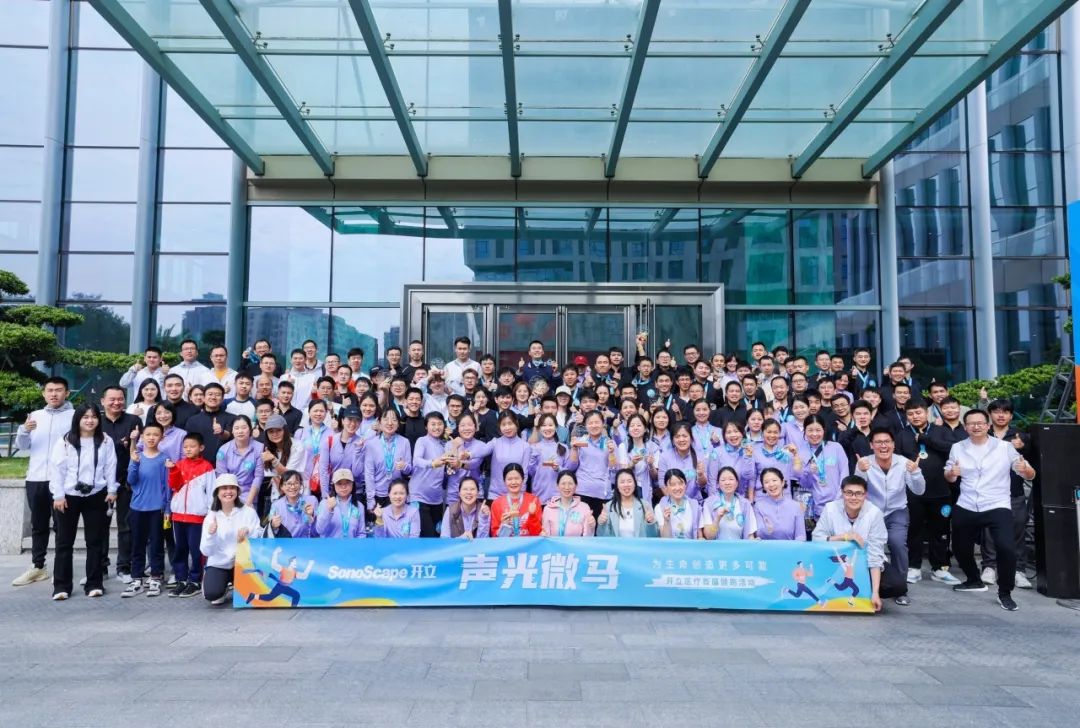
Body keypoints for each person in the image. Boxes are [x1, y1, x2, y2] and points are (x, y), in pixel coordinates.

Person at [945, 409, 1035, 612]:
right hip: (967, 503)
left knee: (1006, 549)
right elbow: (949, 475)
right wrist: (951, 473)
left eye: (980, 423)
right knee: (959, 548)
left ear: (988, 425)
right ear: (965, 427)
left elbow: (1028, 472)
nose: (976, 427)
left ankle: (1005, 592)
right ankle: (974, 580)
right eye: (971, 423)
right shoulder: (957, 447)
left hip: (996, 504)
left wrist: (1025, 470)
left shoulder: (1004, 447)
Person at [48, 403, 118, 600]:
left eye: (93, 417)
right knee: (64, 542)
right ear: (77, 419)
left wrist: (112, 490)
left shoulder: (105, 440)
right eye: (85, 417)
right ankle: (62, 586)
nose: (90, 420)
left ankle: (94, 583)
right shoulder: (65, 441)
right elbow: (57, 469)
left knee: (95, 541)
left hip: (96, 494)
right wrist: (58, 495)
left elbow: (110, 466)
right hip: (69, 496)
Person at [12, 377, 73, 587]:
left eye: (59, 390)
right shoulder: (35, 416)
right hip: (36, 478)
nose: (54, 394)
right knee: (38, 525)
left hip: (62, 480)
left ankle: (61, 569)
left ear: (67, 393)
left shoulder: (74, 416)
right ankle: (38, 566)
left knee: (62, 525)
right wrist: (24, 429)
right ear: (44, 394)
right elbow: (22, 446)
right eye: (50, 390)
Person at [856, 427, 925, 606]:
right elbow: (856, 489)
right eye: (878, 442)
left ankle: (900, 589)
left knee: (897, 543)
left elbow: (919, 490)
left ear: (893, 444)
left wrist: (916, 472)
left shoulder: (904, 463)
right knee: (865, 545)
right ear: (871, 445)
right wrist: (861, 471)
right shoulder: (864, 462)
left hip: (897, 511)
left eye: (887, 441)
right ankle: (865, 586)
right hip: (871, 512)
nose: (883, 446)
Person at [901, 400, 961, 585]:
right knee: (914, 530)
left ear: (927, 412)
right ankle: (913, 567)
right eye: (910, 414)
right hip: (913, 492)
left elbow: (954, 448)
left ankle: (939, 568)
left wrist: (928, 440)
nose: (915, 416)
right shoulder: (902, 434)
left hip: (940, 490)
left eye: (918, 412)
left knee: (940, 531)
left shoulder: (941, 431)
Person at [812, 474, 886, 611]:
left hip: (864, 563)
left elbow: (875, 553)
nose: (853, 497)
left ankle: (873, 594)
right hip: (835, 564)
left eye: (858, 494)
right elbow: (817, 538)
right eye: (849, 493)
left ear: (865, 495)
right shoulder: (830, 508)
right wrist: (845, 537)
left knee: (895, 585)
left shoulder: (874, 513)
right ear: (842, 493)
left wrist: (875, 592)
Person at [981, 399, 1033, 590]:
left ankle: (1018, 570)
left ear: (1011, 415)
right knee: (989, 530)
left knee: (1017, 529)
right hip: (989, 491)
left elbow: (1033, 459)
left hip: (1014, 491)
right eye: (996, 411)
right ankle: (989, 567)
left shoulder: (1021, 435)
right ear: (990, 415)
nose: (1001, 415)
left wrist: (1023, 447)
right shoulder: (983, 434)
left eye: (1005, 412)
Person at [96, 385, 142, 584]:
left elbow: (139, 449)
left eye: (120, 399)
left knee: (126, 527)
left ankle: (124, 567)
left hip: (125, 482)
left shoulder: (133, 421)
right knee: (99, 527)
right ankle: (99, 567)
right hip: (100, 483)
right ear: (103, 401)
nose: (117, 403)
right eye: (112, 399)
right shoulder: (95, 421)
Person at [121, 422, 170, 598]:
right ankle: (136, 578)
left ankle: (156, 576)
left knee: (156, 544)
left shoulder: (164, 459)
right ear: (142, 437)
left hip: (157, 508)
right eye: (148, 434)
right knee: (137, 544)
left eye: (155, 435)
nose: (151, 438)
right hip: (138, 507)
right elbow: (131, 481)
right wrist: (134, 463)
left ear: (162, 437)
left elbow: (167, 486)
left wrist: (167, 508)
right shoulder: (137, 456)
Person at [201, 474, 262, 605]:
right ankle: (222, 585)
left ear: (237, 491)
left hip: (244, 563)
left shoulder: (248, 512)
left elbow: (261, 535)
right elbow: (206, 551)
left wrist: (248, 531)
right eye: (224, 488)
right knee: (212, 595)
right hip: (219, 563)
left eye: (232, 488)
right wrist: (211, 535)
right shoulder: (210, 517)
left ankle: (237, 584)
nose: (228, 492)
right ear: (217, 492)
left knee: (251, 595)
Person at [167, 432, 215, 598]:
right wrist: (173, 470)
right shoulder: (179, 464)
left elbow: (212, 492)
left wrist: (211, 514)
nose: (188, 449)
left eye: (192, 446)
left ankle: (196, 580)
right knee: (180, 549)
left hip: (197, 516)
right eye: (185, 447)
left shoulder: (207, 467)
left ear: (201, 448)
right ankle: (181, 579)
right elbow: (174, 485)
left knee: (196, 549)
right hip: (178, 515)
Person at [795, 414, 846, 522]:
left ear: (824, 430)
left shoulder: (836, 447)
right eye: (810, 430)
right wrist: (808, 471)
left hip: (837, 504)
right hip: (814, 507)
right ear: (805, 431)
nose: (814, 434)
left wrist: (838, 500)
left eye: (818, 430)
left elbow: (844, 475)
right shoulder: (800, 451)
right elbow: (803, 484)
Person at [364, 407, 413, 513]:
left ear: (398, 424)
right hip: (378, 494)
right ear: (379, 422)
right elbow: (369, 474)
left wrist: (404, 466)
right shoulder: (371, 444)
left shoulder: (405, 442)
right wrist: (371, 500)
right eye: (386, 419)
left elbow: (409, 471)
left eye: (394, 420)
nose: (390, 423)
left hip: (398, 495)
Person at [570, 411, 617, 517]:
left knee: (600, 524)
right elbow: (572, 466)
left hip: (602, 491)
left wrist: (611, 452)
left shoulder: (609, 443)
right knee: (580, 523)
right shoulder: (580, 441)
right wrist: (574, 449)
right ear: (585, 425)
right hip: (581, 489)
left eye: (597, 422)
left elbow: (613, 467)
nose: (594, 425)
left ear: (603, 424)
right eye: (590, 423)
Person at [411, 412, 450, 537]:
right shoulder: (422, 441)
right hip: (419, 496)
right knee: (428, 535)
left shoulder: (445, 444)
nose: (436, 427)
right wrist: (433, 463)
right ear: (426, 426)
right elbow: (416, 460)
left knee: (437, 534)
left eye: (440, 424)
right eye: (433, 424)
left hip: (437, 498)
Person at [215, 415, 265, 511]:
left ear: (250, 429)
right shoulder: (223, 450)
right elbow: (221, 477)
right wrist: (230, 500)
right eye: (236, 428)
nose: (240, 431)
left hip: (251, 495)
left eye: (244, 427)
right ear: (232, 431)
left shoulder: (259, 448)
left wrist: (249, 502)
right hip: (229, 495)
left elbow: (258, 477)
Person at [596, 468, 659, 537]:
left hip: (639, 544)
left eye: (629, 481)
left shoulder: (645, 505)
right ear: (617, 486)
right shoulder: (609, 506)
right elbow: (602, 537)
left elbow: (654, 536)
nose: (626, 485)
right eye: (622, 482)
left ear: (635, 484)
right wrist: (602, 523)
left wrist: (650, 522)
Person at [261, 414, 306, 507]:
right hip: (278, 493)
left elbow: (289, 475)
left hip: (298, 491)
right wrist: (283, 495)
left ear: (285, 430)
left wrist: (274, 460)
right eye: (271, 431)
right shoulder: (266, 449)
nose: (275, 434)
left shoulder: (297, 446)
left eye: (278, 430)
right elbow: (273, 474)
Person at [244, 547, 314, 607]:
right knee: (269, 598)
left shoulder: (294, 573)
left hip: (286, 588)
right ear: (291, 562)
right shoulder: (283, 569)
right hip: (279, 587)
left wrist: (309, 566)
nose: (296, 563)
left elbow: (304, 576)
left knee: (296, 595)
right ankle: (253, 596)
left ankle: (293, 608)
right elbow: (274, 565)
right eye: (294, 562)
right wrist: (275, 553)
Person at [702, 466, 757, 540]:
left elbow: (750, 536)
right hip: (717, 547)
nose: (727, 483)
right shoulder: (709, 503)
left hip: (740, 547)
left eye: (731, 479)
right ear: (718, 484)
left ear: (737, 483)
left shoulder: (746, 505)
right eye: (723, 480)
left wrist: (754, 542)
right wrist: (717, 519)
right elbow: (709, 537)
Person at [185, 383, 236, 462]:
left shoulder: (231, 418)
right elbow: (189, 444)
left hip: (224, 463)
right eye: (210, 394)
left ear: (222, 398)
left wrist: (222, 432)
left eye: (217, 395)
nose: (213, 397)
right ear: (204, 397)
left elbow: (229, 436)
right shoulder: (193, 420)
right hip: (199, 464)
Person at [657, 422, 706, 503]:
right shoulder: (664, 457)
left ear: (691, 438)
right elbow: (663, 485)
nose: (681, 439)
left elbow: (702, 484)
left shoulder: (699, 455)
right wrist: (676, 503)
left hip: (695, 503)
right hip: (673, 504)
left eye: (685, 436)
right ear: (672, 439)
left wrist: (700, 475)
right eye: (677, 436)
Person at [489, 463, 541, 537]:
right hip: (507, 544)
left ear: (523, 479)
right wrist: (504, 525)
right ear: (504, 481)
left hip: (528, 543)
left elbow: (537, 533)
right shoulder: (497, 504)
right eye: (509, 479)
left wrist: (532, 515)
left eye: (517, 478)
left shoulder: (534, 500)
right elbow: (495, 536)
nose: (513, 482)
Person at [753, 467, 805, 541]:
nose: (771, 484)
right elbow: (757, 533)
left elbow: (800, 535)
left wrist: (797, 545)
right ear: (763, 487)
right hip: (767, 547)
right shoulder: (758, 506)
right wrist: (765, 530)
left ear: (782, 482)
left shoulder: (796, 506)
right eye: (766, 482)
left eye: (774, 480)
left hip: (790, 547)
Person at [541, 471, 596, 537]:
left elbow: (588, 537)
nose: (567, 487)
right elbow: (546, 536)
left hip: (576, 544)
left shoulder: (584, 508)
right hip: (554, 544)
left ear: (576, 486)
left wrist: (591, 526)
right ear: (557, 486)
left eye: (570, 483)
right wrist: (543, 536)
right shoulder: (548, 509)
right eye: (563, 483)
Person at [315, 469, 367, 538]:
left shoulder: (359, 506)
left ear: (353, 484)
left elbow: (361, 534)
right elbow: (319, 530)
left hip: (351, 545)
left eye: (347, 482)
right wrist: (328, 510)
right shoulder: (325, 503)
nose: (343, 486)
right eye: (339, 483)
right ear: (334, 485)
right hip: (329, 545)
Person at [268, 470, 317, 538]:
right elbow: (270, 530)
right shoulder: (276, 505)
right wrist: (273, 526)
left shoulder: (311, 500)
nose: (293, 487)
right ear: (282, 486)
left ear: (300, 485)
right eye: (288, 484)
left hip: (306, 542)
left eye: (296, 483)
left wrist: (312, 515)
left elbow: (319, 529)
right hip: (285, 543)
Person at [655, 470, 702, 539]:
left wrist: (701, 539)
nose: (677, 488)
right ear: (666, 487)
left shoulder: (694, 506)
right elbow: (664, 540)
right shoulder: (660, 508)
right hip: (671, 546)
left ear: (685, 485)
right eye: (673, 485)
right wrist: (666, 521)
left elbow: (699, 536)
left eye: (680, 483)